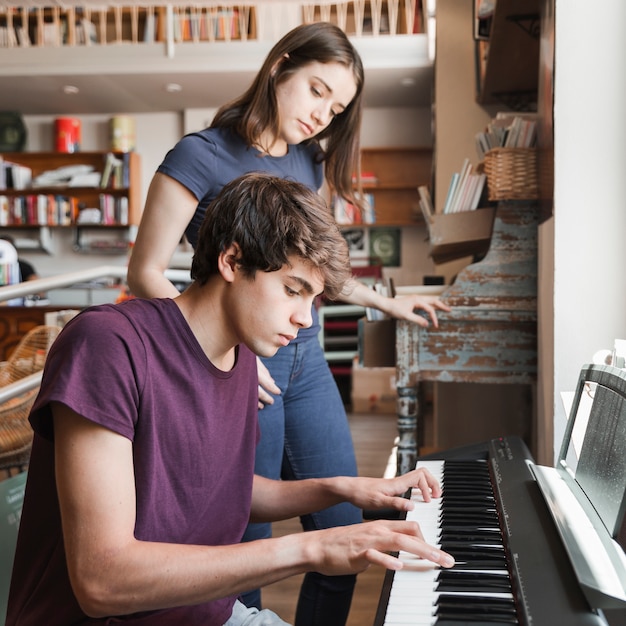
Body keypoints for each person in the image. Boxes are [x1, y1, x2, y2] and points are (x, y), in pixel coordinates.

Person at [6, 173, 454, 626]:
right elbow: (102, 581)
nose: (304, 318)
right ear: (232, 261)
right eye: (293, 289)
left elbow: (219, 488)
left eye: (313, 299)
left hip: (206, 613)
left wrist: (340, 488)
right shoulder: (108, 344)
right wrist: (311, 548)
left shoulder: (241, 359)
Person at [126, 21, 451, 624]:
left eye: (338, 105)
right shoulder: (199, 154)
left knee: (345, 529)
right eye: (317, 90)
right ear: (279, 68)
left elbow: (314, 267)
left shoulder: (309, 160)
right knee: (246, 540)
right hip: (244, 360)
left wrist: (389, 301)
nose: (324, 113)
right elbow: (145, 273)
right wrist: (219, 360)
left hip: (306, 359)